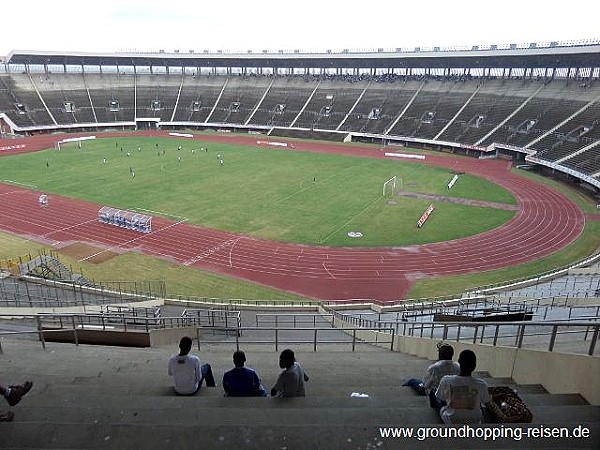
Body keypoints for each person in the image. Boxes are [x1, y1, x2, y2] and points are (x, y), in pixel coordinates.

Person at [435, 349, 491, 424]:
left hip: (451, 420)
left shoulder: (446, 380)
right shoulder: (481, 384)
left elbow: (442, 399)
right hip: (474, 421)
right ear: (474, 366)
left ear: (459, 362)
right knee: (480, 402)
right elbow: (487, 402)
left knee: (436, 395)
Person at [424, 343, 460, 409]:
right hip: (454, 396)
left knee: (413, 382)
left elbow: (426, 386)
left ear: (440, 355)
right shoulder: (458, 366)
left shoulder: (433, 368)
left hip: (440, 399)